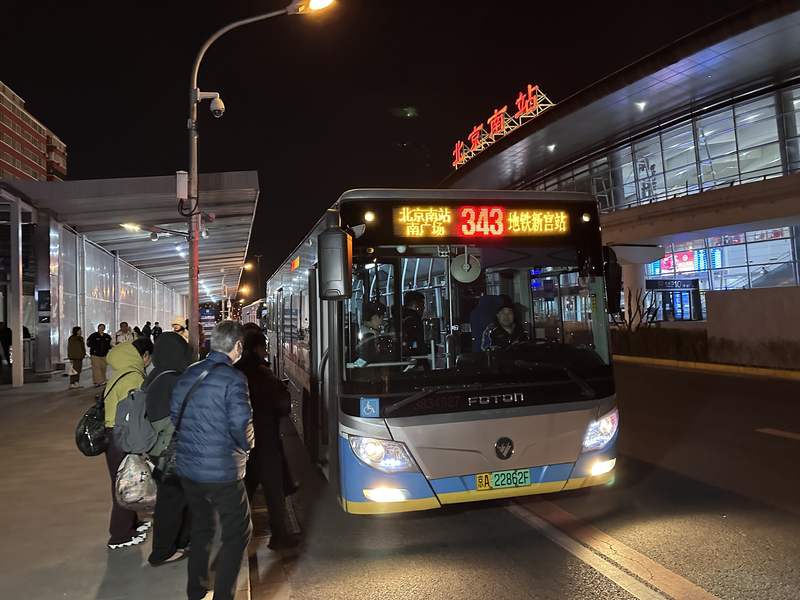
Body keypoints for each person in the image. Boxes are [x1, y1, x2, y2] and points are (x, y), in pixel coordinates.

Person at [171, 321, 253, 600]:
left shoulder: (189, 373)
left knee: (202, 528)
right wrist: (248, 446)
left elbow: (175, 416)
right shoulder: (234, 379)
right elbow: (242, 424)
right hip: (223, 473)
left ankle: (196, 591)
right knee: (238, 532)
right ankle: (223, 596)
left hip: (189, 470)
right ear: (237, 346)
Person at [236, 330, 298, 550]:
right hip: (265, 440)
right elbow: (282, 406)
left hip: (241, 443)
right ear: (257, 348)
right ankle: (279, 536)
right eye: (264, 346)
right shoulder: (263, 374)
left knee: (246, 490)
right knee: (274, 491)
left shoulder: (234, 372)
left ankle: (236, 537)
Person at [144, 332, 192, 566]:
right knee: (172, 502)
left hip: (159, 450)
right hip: (172, 450)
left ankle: (181, 542)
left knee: (177, 499)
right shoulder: (173, 380)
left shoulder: (154, 375)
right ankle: (162, 551)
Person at [103, 337, 153, 549]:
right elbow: (134, 414)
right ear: (143, 356)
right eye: (149, 357)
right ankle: (120, 535)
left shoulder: (121, 371)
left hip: (112, 433)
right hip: (121, 436)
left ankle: (132, 523)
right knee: (125, 483)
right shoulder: (133, 376)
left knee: (126, 479)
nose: (149, 362)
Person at [401, 291, 426, 355]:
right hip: (414, 359)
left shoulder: (399, 317)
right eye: (422, 305)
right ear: (416, 305)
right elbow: (418, 344)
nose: (424, 308)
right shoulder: (415, 320)